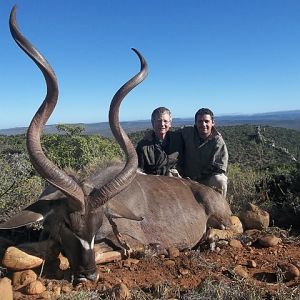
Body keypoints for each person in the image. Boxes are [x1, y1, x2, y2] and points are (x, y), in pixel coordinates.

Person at [180, 108, 228, 197]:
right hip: (185, 179)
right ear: (195, 123)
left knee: (220, 180)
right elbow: (167, 134)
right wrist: (150, 134)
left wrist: (198, 180)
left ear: (213, 122)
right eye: (200, 121)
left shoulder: (218, 142)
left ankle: (221, 209)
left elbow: (218, 168)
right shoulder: (187, 132)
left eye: (206, 121)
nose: (203, 124)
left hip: (206, 180)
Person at [136, 107, 182, 176]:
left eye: (165, 121)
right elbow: (139, 170)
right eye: (159, 121)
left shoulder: (179, 139)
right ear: (152, 123)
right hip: (153, 183)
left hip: (177, 182)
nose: (162, 124)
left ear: (170, 123)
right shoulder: (142, 146)